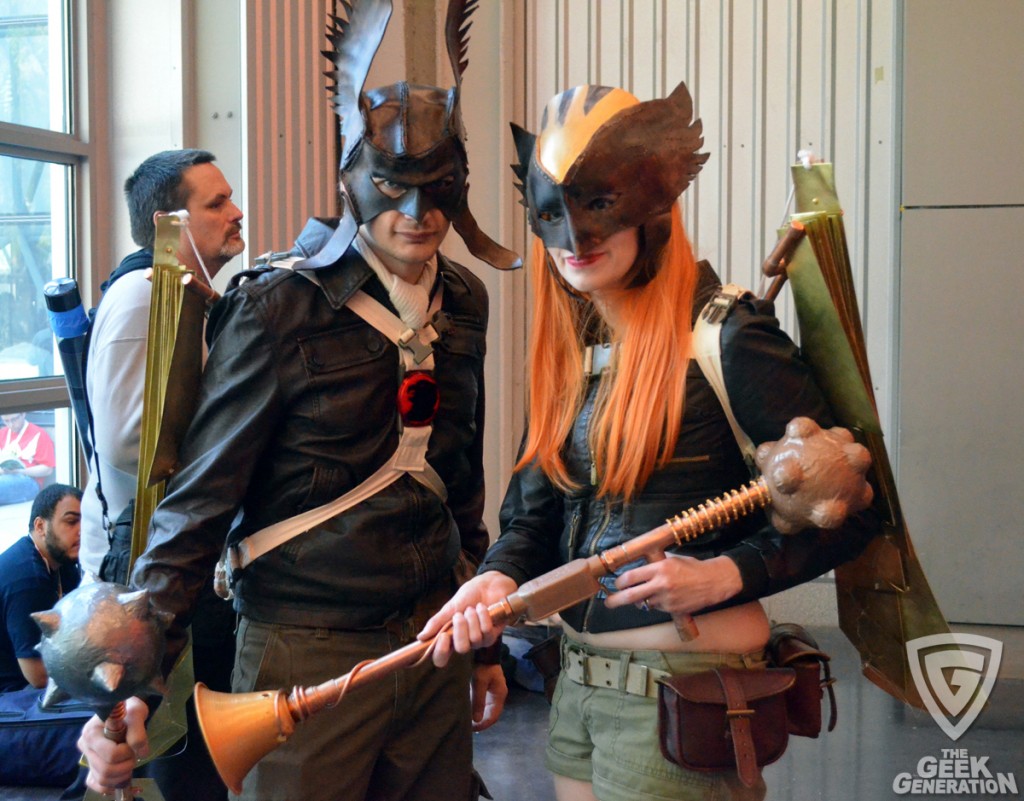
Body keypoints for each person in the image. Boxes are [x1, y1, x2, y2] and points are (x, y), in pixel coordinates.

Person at [78, 2, 517, 799]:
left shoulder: (466, 299)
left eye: (436, 186)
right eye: (391, 185)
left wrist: (482, 636)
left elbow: (460, 475)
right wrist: (137, 678)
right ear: (354, 177)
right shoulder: (278, 303)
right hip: (303, 649)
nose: (416, 214)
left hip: (430, 640)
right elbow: (200, 497)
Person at [421, 83, 881, 801]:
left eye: (601, 210)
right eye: (555, 216)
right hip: (577, 683)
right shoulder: (577, 351)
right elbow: (534, 516)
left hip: (686, 695)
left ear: (654, 210)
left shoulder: (728, 338)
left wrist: (726, 573)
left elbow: (852, 508)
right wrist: (497, 576)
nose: (576, 241)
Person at [77, 149, 244, 801]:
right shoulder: (149, 292)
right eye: (216, 203)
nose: (236, 213)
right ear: (168, 222)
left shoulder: (177, 293)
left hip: (165, 567)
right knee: (167, 760)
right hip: (144, 573)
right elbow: (129, 442)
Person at [0, 483, 81, 692]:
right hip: (11, 698)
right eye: (71, 522)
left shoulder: (63, 565)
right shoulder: (27, 578)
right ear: (40, 526)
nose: (81, 531)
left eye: (86, 522)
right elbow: (39, 675)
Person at [0, 412, 56, 505]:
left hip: (29, 480)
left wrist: (19, 471)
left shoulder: (39, 434)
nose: (11, 424)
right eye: (6, 421)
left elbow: (47, 469)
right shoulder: (2, 433)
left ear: (23, 414)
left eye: (14, 419)